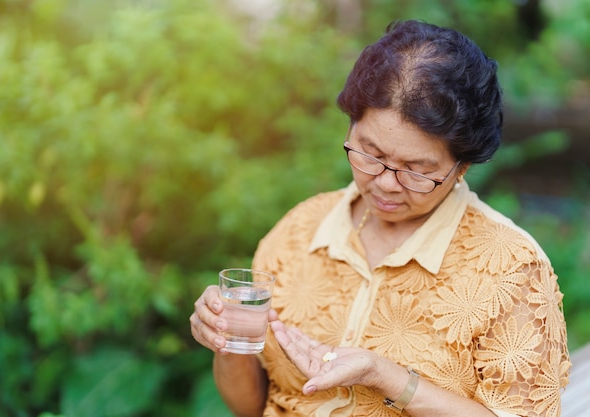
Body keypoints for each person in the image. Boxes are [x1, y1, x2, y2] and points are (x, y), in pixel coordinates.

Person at [189, 19, 571, 417]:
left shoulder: (510, 268)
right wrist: (227, 342)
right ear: (351, 127)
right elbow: (252, 406)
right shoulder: (300, 231)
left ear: (462, 167)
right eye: (371, 154)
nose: (386, 184)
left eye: (417, 170)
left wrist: (388, 377)